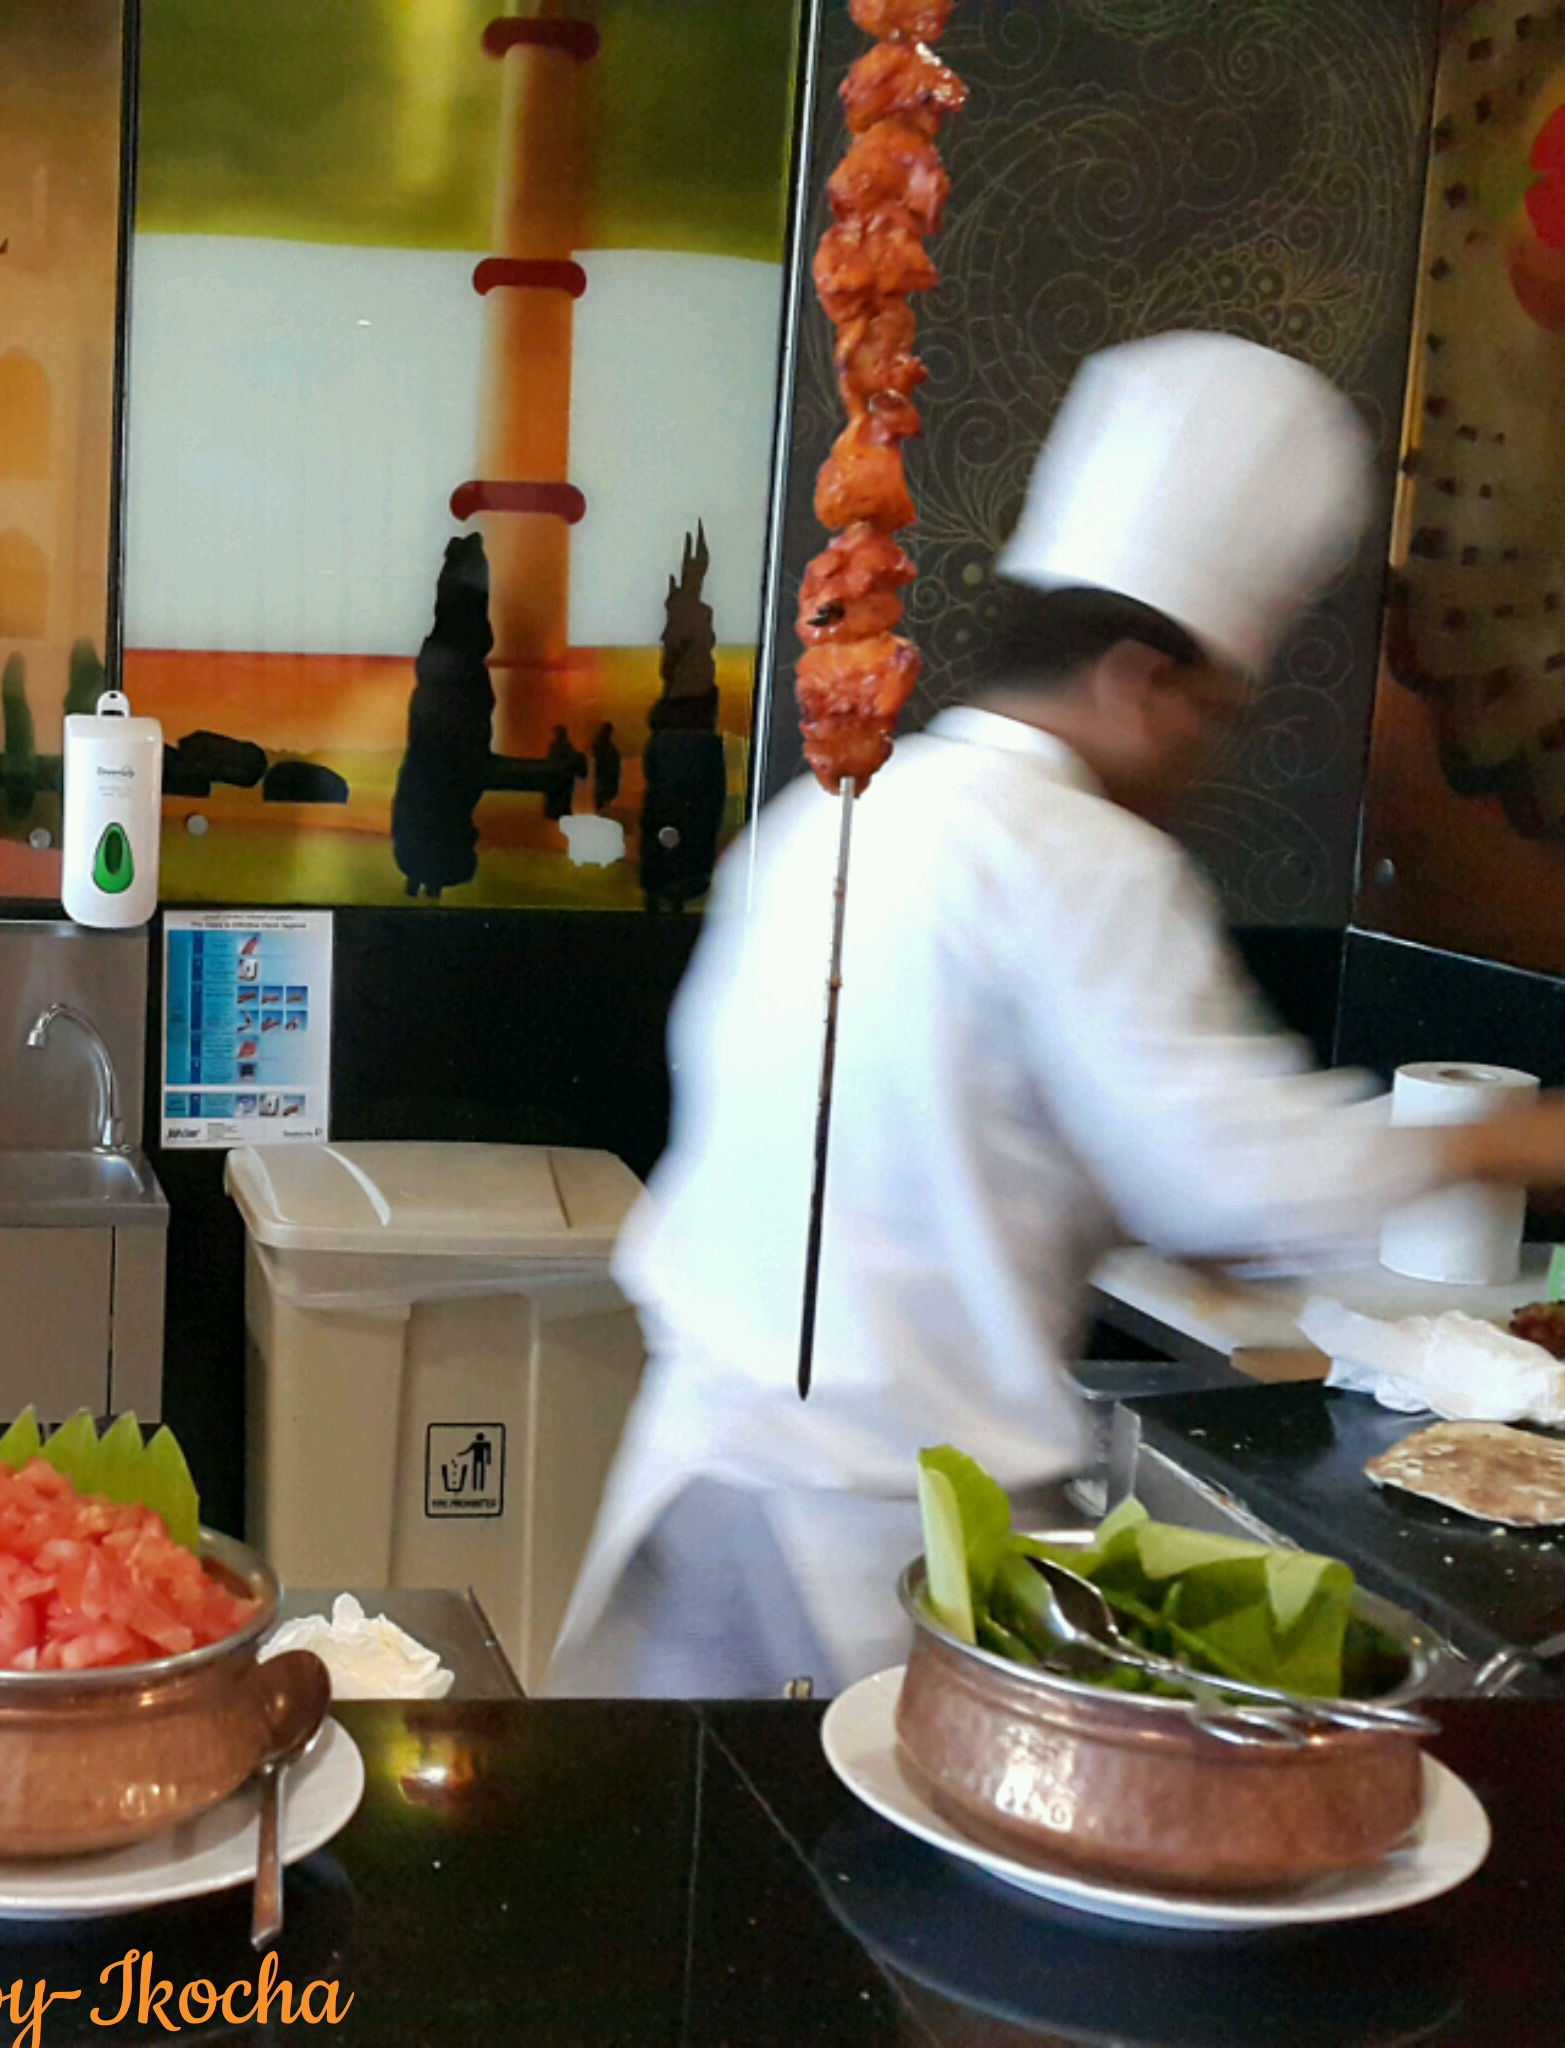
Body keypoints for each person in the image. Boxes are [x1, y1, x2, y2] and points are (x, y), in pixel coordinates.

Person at [544, 332, 1565, 1701]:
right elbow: (1227, 1179)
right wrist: (1518, 1141)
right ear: (1140, 681)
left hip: (702, 1487)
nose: (1210, 761)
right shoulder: (1079, 857)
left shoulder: (833, 816)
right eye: (1218, 714)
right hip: (868, 1546)